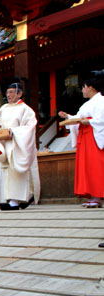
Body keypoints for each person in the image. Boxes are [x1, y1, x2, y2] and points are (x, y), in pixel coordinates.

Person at [0, 83, 40, 210]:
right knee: (8, 172)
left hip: (18, 144)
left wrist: (14, 132)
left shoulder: (26, 110)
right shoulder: (3, 108)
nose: (8, 95)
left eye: (11, 92)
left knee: (17, 170)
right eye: (7, 92)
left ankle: (17, 200)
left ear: (19, 93)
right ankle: (12, 198)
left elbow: (29, 127)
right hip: (6, 143)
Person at [59, 73, 104, 208]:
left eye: (83, 87)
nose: (83, 90)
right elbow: (78, 117)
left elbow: (101, 120)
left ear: (90, 87)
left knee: (96, 165)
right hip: (86, 136)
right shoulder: (87, 105)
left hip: (93, 135)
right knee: (87, 166)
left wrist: (88, 122)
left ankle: (97, 195)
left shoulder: (101, 101)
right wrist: (68, 117)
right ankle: (92, 195)